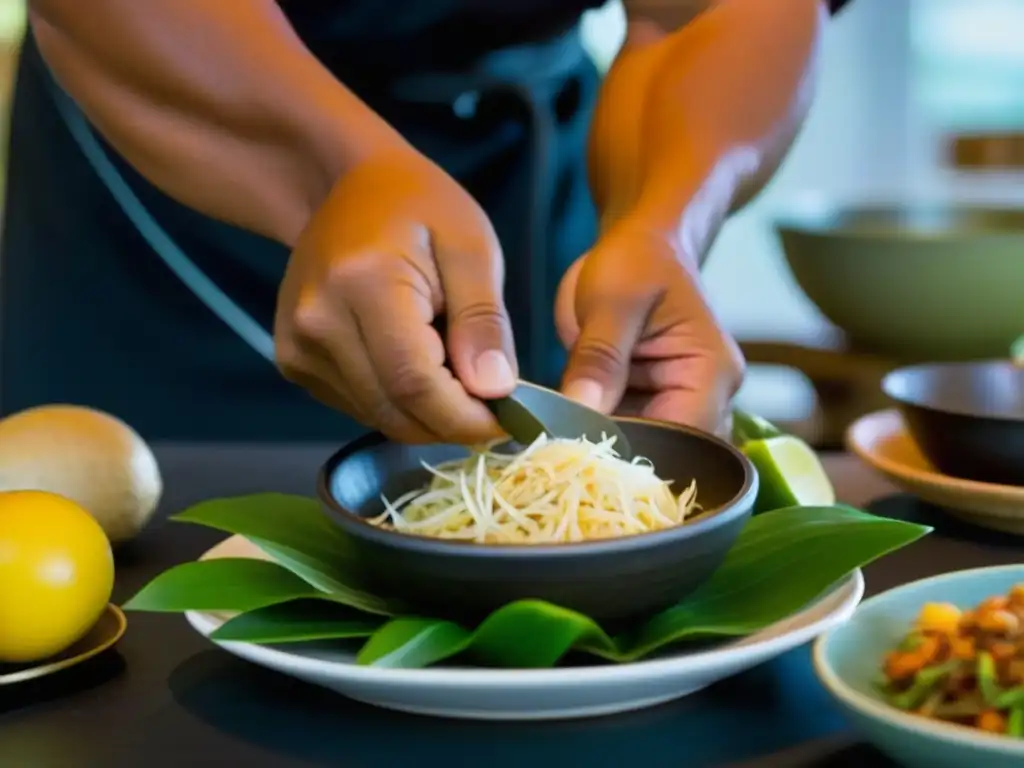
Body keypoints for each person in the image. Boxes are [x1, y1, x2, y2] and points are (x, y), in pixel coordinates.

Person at [4, 0, 848, 444]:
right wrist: (337, 173)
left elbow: (697, 10)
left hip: (523, 163)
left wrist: (663, 222)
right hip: (172, 170)